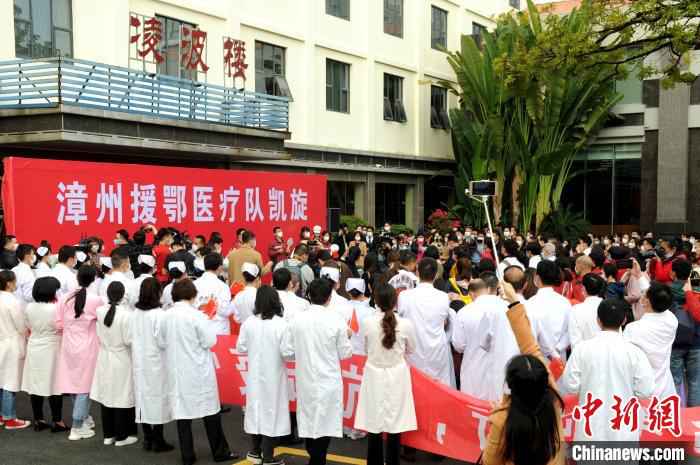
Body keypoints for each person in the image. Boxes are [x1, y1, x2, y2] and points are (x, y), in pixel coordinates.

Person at [481, 281, 565, 465]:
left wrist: (498, 410)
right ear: (544, 379)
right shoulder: (553, 403)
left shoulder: (503, 419)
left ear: (511, 385)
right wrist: (514, 301)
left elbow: (490, 461)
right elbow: (531, 347)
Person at [158, 279, 238, 465]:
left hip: (176, 371)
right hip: (198, 370)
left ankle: (187, 455)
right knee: (210, 412)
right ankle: (219, 451)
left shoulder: (165, 316)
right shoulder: (197, 316)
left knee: (183, 416)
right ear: (192, 295)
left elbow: (161, 342)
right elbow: (210, 341)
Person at [559, 298, 655, 441]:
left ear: (598, 320)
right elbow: (646, 390)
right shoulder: (635, 352)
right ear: (624, 320)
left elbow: (570, 386)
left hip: (589, 430)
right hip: (623, 430)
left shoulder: (581, 349)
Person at [281, 278, 353, 465]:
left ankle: (315, 458)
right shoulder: (336, 320)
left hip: (306, 379)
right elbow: (345, 353)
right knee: (325, 424)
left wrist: (302, 353)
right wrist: (348, 335)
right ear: (329, 298)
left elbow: (286, 351)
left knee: (308, 422)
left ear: (309, 296)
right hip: (328, 381)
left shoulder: (297, 319)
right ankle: (317, 459)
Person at [354, 283, 417, 465]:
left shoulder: (367, 322)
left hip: (374, 374)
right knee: (395, 424)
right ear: (395, 301)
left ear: (376, 301)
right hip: (397, 374)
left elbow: (366, 349)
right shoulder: (405, 324)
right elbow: (412, 348)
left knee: (374, 423)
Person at [236, 286, 290, 465]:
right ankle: (268, 457)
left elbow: (241, 347)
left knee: (255, 410)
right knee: (271, 412)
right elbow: (288, 353)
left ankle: (255, 451)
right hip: (274, 375)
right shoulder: (281, 324)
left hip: (254, 376)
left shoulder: (249, 322)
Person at [452, 273, 519, 401]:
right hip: (503, 374)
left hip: (473, 373)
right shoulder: (509, 308)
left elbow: (458, 345)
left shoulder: (465, 312)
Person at [55, 264, 102, 441]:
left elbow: (58, 324)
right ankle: (77, 426)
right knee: (84, 387)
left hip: (68, 345)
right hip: (88, 347)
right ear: (94, 279)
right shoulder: (96, 299)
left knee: (74, 385)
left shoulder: (65, 298)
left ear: (77, 277)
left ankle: (83, 418)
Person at [91, 281, 138, 446]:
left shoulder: (99, 311)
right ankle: (122, 436)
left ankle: (108, 434)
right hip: (121, 358)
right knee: (122, 396)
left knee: (107, 395)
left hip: (105, 356)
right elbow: (129, 340)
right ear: (123, 295)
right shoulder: (127, 315)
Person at [131, 277, 174, 452]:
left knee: (142, 398)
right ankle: (158, 439)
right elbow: (163, 341)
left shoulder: (135, 313)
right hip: (156, 362)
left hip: (139, 361)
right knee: (158, 399)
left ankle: (148, 438)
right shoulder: (159, 315)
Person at [397, 258, 453, 387]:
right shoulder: (443, 297)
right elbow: (444, 321)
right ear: (436, 274)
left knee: (414, 387)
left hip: (415, 349)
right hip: (434, 350)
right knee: (438, 388)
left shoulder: (404, 296)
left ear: (417, 272)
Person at [21, 277, 67, 432]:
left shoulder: (29, 307)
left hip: (35, 346)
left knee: (36, 384)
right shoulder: (55, 308)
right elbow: (61, 327)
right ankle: (57, 421)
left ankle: (39, 419)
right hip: (53, 347)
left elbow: (27, 326)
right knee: (55, 385)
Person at [623, 281, 678, 399]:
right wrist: (640, 278)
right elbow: (661, 299)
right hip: (666, 388)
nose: (642, 294)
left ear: (646, 301)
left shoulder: (633, 329)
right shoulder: (672, 320)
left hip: (643, 390)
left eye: (644, 293)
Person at [0, 270, 31, 430]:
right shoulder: (12, 301)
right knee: (10, 382)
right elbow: (20, 325)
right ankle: (9, 418)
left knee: (1, 380)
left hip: (2, 340)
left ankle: (2, 415)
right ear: (9, 283)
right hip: (11, 343)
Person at [525, 260, 572, 360]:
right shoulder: (565, 302)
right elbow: (570, 331)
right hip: (559, 357)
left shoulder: (530, 304)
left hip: (538, 357)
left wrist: (551, 352)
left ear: (537, 278)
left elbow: (530, 335)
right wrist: (557, 349)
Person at [194, 253, 235, 335]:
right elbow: (225, 311)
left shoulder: (194, 284)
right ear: (220, 267)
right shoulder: (223, 286)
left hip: (199, 329)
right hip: (218, 330)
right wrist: (234, 301)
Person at [568, 273, 607, 349]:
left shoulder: (576, 310)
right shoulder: (610, 307)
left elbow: (575, 343)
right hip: (608, 354)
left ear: (583, 289)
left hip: (583, 354)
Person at [342, 278, 375, 355]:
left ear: (348, 292)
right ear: (363, 292)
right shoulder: (372, 312)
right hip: (364, 355)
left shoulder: (340, 309)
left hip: (345, 355)